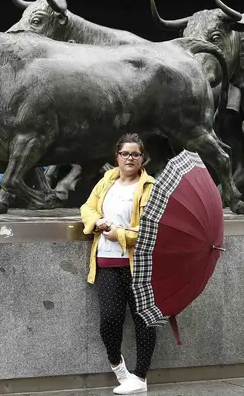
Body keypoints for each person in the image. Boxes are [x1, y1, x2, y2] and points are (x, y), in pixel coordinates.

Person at [80, 133, 156, 395]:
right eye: (125, 153)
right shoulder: (106, 180)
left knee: (144, 322)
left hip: (139, 266)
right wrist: (98, 221)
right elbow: (86, 208)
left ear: (142, 158)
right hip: (106, 263)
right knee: (109, 320)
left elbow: (150, 231)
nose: (130, 158)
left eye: (135, 154)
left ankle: (141, 377)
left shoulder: (149, 187)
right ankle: (118, 367)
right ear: (117, 157)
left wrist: (120, 235)